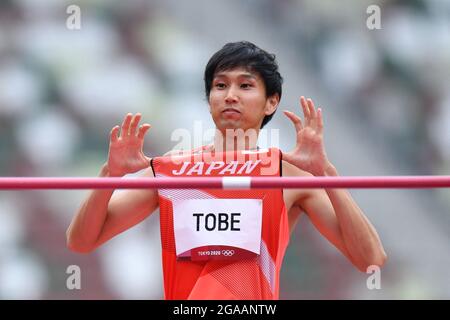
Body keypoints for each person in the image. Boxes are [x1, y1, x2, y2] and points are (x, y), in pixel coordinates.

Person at [66, 41, 387, 299]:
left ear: (271, 102)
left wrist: (326, 173)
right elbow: (82, 241)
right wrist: (110, 174)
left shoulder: (287, 175)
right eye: (221, 85)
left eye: (245, 86)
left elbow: (370, 258)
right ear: (209, 100)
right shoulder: (171, 172)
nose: (230, 95)